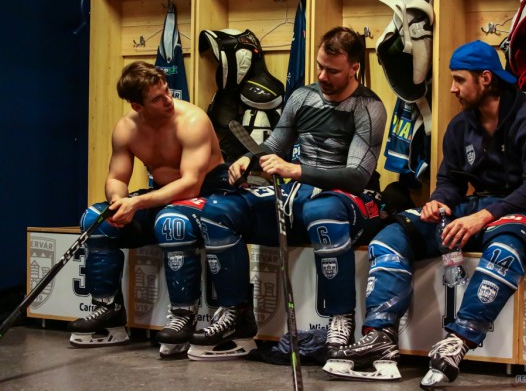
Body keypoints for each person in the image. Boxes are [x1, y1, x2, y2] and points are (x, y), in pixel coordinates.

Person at [328, 39, 526, 384]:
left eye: (459, 80)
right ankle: (380, 335)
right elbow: (451, 180)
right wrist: (439, 201)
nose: (452, 88)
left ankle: (458, 341)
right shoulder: (460, 125)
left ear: (486, 78)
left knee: (506, 245)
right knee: (392, 235)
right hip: (481, 208)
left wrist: (481, 217)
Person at [187, 26, 387, 361]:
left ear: (354, 68)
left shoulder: (368, 107)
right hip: (298, 196)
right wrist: (248, 159)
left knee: (322, 210)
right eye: (320, 67)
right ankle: (236, 313)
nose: (322, 76)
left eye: (333, 71)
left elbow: (356, 177)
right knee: (219, 209)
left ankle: (341, 319)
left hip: (350, 201)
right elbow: (275, 145)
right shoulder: (302, 97)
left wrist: (295, 170)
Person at [67, 61, 233, 358]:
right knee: (96, 218)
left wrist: (138, 202)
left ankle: (183, 316)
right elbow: (117, 178)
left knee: (173, 223)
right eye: (157, 98)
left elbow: (191, 184)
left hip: (209, 194)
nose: (168, 99)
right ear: (137, 106)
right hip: (164, 196)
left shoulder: (192, 120)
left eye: (167, 91)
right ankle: (108, 309)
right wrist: (118, 203)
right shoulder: (126, 129)